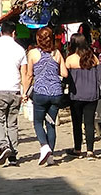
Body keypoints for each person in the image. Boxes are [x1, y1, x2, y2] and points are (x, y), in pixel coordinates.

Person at [0, 21, 28, 167]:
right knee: (12, 123)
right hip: (14, 89)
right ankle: (13, 155)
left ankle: (3, 145)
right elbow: (24, 73)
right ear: (14, 33)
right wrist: (25, 91)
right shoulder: (20, 49)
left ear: (1, 32)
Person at [27, 26, 68, 166]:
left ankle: (44, 146)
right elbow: (65, 74)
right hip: (56, 93)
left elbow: (29, 74)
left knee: (38, 122)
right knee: (51, 124)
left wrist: (25, 92)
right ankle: (50, 156)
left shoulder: (33, 53)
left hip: (40, 92)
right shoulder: (57, 53)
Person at [66, 33, 101, 160]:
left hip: (76, 95)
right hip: (92, 95)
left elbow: (66, 79)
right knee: (89, 123)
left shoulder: (70, 59)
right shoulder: (93, 58)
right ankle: (90, 151)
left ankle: (77, 149)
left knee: (76, 123)